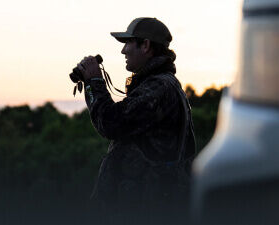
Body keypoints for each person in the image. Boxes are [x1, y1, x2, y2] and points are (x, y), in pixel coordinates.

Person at [76, 17, 196, 223]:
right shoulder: (159, 84)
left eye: (128, 43)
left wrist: (94, 81)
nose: (123, 51)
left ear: (146, 46)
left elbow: (111, 123)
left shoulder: (159, 88)